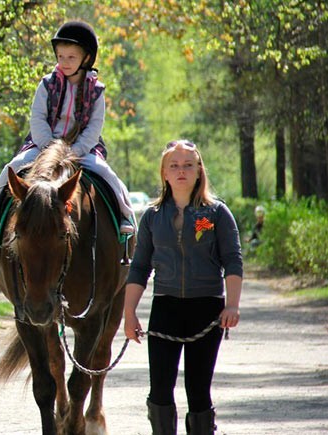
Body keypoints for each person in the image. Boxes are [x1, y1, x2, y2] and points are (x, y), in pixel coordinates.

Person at [123, 140, 243, 435]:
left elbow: (233, 261)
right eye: (174, 166)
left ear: (199, 170)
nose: (181, 171)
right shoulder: (152, 216)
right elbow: (139, 267)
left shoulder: (215, 214)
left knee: (198, 390)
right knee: (160, 391)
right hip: (166, 309)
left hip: (207, 309)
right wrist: (129, 313)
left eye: (188, 165)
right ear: (163, 172)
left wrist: (232, 304)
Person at [0, 20, 134, 235]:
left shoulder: (97, 91)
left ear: (87, 58)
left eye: (71, 57)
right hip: (42, 146)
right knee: (14, 165)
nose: (65, 62)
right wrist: (49, 148)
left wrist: (74, 151)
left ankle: (125, 216)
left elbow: (94, 127)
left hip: (82, 149)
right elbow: (38, 118)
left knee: (106, 173)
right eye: (61, 56)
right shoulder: (47, 84)